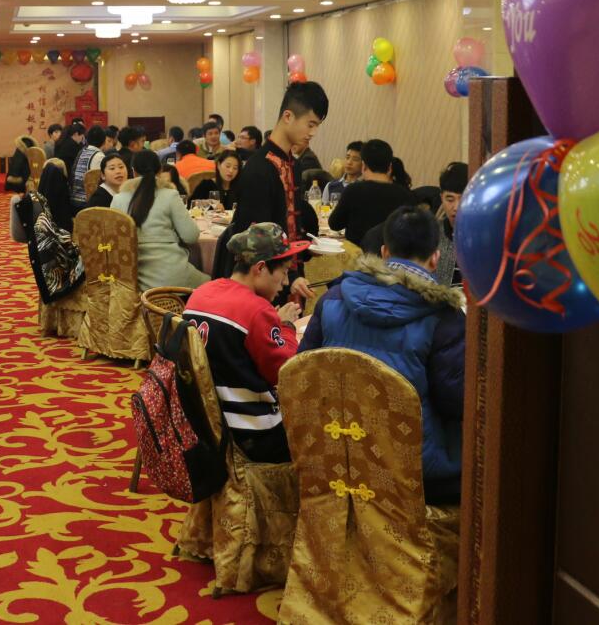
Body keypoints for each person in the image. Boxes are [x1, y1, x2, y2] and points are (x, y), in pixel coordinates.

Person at [301, 206, 466, 503]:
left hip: (338, 455)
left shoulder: (333, 298)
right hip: (415, 471)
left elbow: (303, 371)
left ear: (384, 252)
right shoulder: (444, 318)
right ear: (435, 258)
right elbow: (457, 401)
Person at [183, 223, 308, 462]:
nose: (285, 282)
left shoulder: (200, 293)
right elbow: (285, 372)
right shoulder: (256, 310)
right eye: (283, 272)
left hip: (201, 423)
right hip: (250, 432)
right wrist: (286, 327)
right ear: (260, 268)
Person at [222, 81, 329, 281]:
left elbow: (292, 225)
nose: (313, 133)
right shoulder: (259, 168)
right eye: (310, 124)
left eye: (317, 126)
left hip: (289, 277)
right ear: (288, 117)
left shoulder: (293, 165)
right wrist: (289, 278)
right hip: (265, 282)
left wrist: (306, 248)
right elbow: (254, 241)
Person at [111, 150, 207, 291]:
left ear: (133, 171)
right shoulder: (170, 195)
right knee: (213, 284)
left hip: (136, 281)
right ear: (160, 170)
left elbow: (115, 241)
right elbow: (191, 236)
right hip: (173, 276)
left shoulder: (118, 199)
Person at [10, 161, 85, 304]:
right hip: (69, 272)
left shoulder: (35, 206)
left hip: (47, 275)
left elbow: (18, 236)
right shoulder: (71, 210)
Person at [328, 139, 415, 246]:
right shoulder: (404, 194)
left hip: (357, 253)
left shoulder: (353, 190)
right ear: (389, 167)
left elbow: (334, 224)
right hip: (391, 254)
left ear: (363, 165)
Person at [434, 162, 468, 287]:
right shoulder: (432, 234)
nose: (456, 207)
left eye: (463, 198)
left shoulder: (485, 236)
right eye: (450, 199)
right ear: (441, 198)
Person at [68, 125, 106, 209]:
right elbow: (98, 183)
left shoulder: (82, 151)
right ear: (104, 141)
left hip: (73, 200)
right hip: (86, 203)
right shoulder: (99, 156)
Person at [322, 141, 364, 205]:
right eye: (347, 157)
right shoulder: (330, 186)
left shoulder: (366, 187)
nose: (349, 162)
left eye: (355, 159)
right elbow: (323, 209)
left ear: (363, 163)